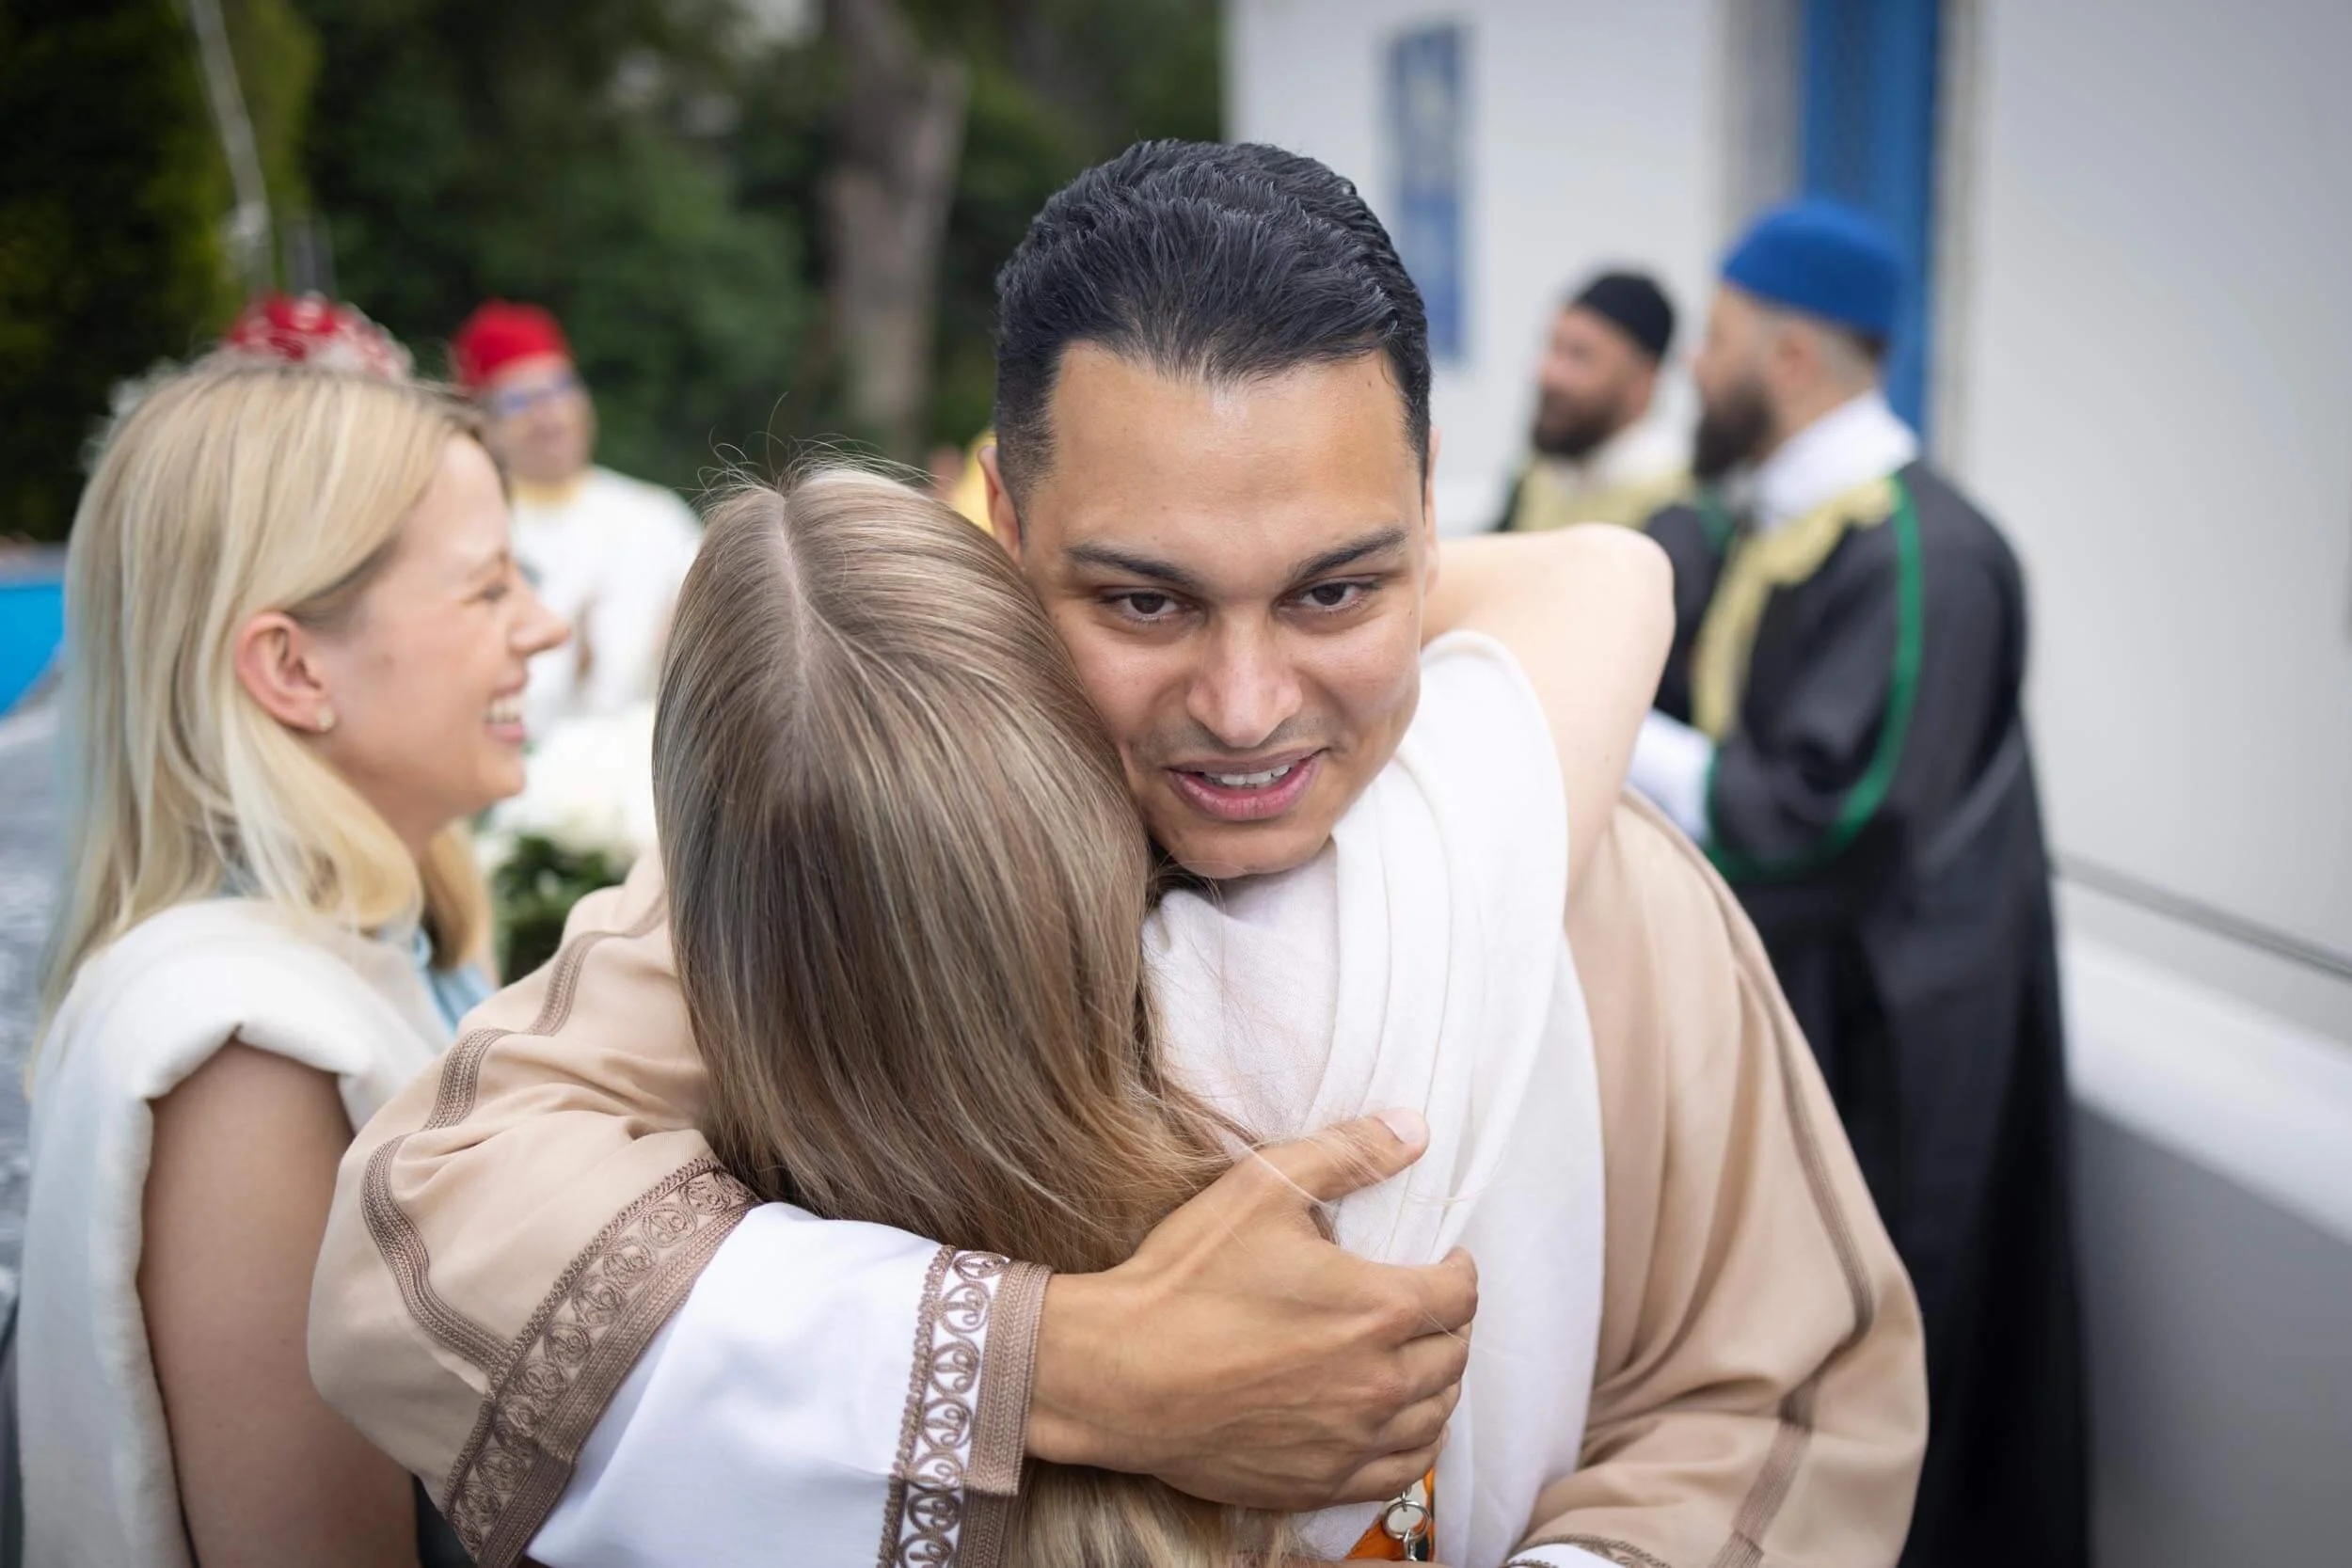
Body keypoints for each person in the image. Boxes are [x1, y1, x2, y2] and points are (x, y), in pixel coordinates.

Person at [312, 143, 1927, 1568]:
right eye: (1143, 603)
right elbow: (429, 1250)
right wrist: (1075, 1367)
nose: (1246, 710)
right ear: (1005, 528)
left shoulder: (1609, 884)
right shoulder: (873, 861)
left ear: (1431, 516)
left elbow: (1778, 1391)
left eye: (1336, 592)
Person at [18, 355, 566, 1566]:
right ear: (292, 668)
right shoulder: (245, 1057)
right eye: (487, 589)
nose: (545, 623)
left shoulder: (367, 950)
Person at [1628, 198, 2087, 1568]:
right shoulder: (1785, 524)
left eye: (1713, 342)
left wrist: (1620, 732)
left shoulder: (1922, 555)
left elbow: (1841, 817)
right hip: (1808, 1015)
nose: (1690, 372)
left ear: (1792, 359)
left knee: (1883, 1369)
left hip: (1896, 1050)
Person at [452, 301, 701, 733]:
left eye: (559, 389)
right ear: (484, 425)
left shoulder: (653, 514)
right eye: (519, 401)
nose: (548, 416)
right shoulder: (469, 533)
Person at [1497, 271, 1687, 533]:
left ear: (1645, 376)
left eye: (1580, 356)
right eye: (1553, 348)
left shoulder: (1677, 506)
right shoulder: (1535, 479)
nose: (1550, 374)